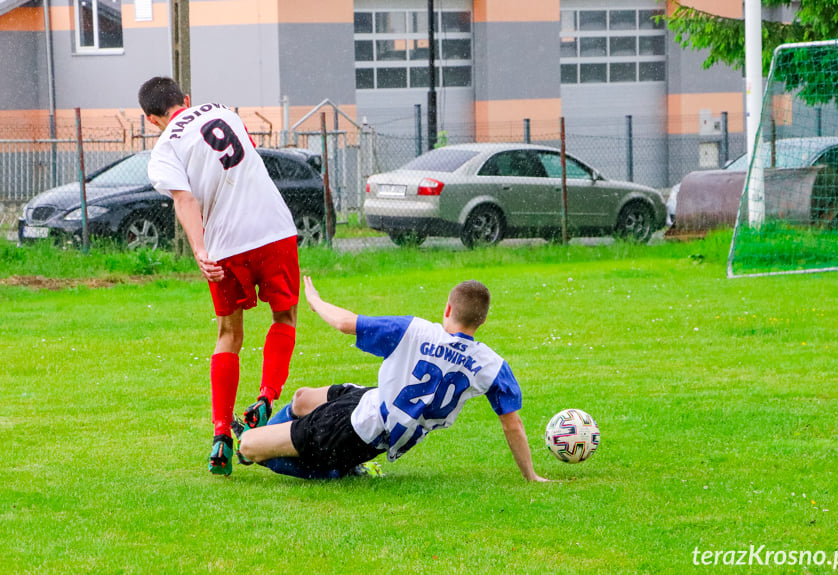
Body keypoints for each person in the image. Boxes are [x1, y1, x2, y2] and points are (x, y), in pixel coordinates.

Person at [138, 76, 299, 476]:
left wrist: (200, 250)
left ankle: (221, 437)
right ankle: (265, 398)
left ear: (149, 118)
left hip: (226, 246)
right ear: (187, 100)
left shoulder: (163, 150)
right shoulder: (224, 111)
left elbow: (185, 200)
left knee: (229, 334)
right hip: (274, 230)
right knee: (284, 317)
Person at [238, 276, 548, 482]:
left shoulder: (414, 330)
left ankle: (336, 469)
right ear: (482, 320)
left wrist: (314, 300)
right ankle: (296, 444)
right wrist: (531, 476)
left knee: (249, 445)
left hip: (357, 428)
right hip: (375, 404)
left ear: (448, 308)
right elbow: (513, 424)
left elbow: (346, 323)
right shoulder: (492, 365)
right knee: (303, 398)